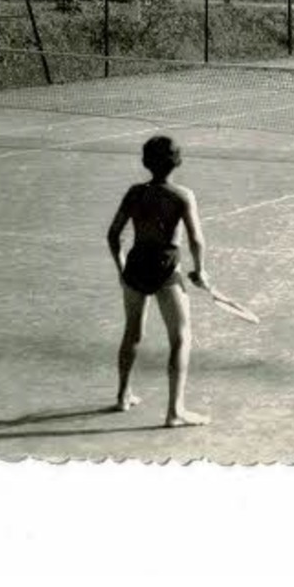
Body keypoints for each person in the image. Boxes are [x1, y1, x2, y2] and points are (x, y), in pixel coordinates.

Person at [107, 135, 210, 428]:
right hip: (165, 270)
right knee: (180, 338)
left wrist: (122, 268)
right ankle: (175, 412)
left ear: (145, 162)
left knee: (132, 333)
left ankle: (123, 396)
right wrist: (200, 271)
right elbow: (196, 240)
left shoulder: (134, 193)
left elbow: (113, 235)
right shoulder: (182, 195)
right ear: (177, 162)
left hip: (136, 268)